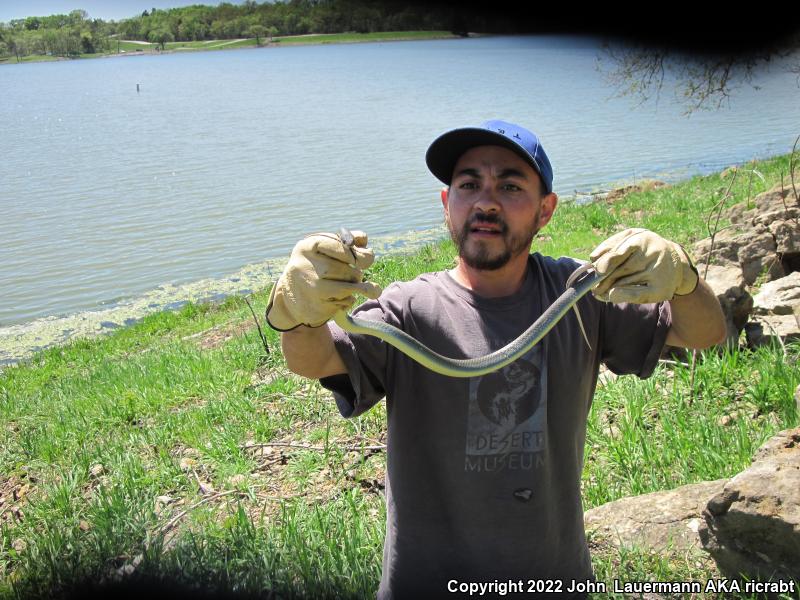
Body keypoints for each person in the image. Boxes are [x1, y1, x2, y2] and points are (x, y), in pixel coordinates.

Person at [265, 120, 727, 599]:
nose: (486, 201)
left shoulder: (580, 295)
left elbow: (705, 332)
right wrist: (296, 314)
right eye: (468, 185)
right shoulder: (407, 309)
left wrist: (683, 279)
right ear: (447, 206)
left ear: (545, 210)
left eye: (509, 185)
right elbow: (316, 360)